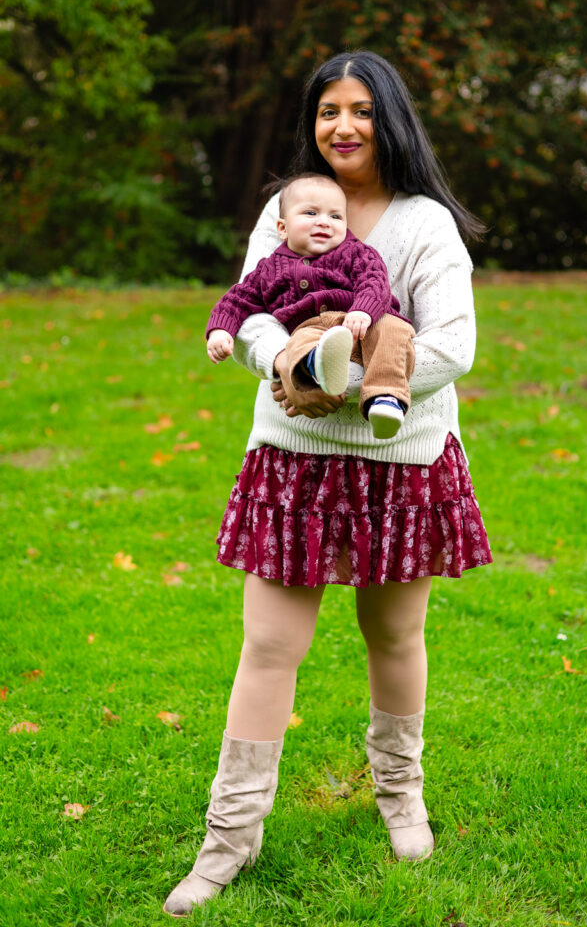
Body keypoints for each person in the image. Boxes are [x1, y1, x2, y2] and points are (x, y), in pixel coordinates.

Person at [163, 50, 492, 918]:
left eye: (361, 110)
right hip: (293, 459)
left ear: (391, 120)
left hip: (400, 457)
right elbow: (251, 314)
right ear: (311, 123)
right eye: (327, 111)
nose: (343, 126)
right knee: (269, 646)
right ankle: (229, 837)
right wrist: (289, 363)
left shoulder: (424, 225)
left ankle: (400, 796)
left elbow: (453, 345)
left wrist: (342, 382)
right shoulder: (287, 209)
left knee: (394, 635)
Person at [206, 172, 416, 440]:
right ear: (282, 228)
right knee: (297, 343)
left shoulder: (356, 253)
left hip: (364, 325)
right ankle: (316, 365)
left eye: (335, 216)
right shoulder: (269, 269)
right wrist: (220, 330)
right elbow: (237, 299)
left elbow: (374, 281)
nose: (324, 222)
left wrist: (363, 310)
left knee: (394, 331)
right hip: (312, 330)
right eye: (310, 213)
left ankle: (386, 398)